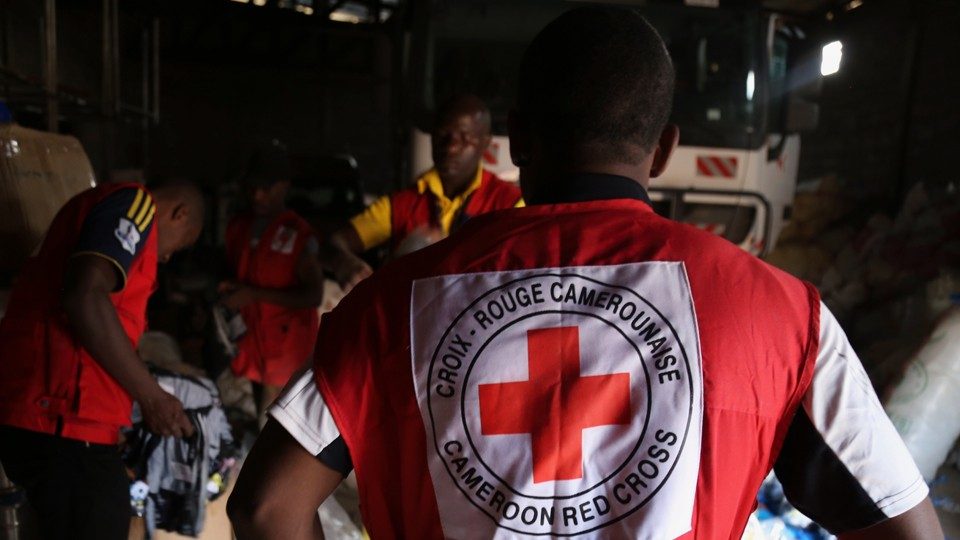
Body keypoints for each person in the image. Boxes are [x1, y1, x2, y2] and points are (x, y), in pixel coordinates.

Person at [228, 7, 943, 540]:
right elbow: (906, 530)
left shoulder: (387, 307)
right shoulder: (783, 315)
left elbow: (265, 508)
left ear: (517, 139)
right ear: (663, 149)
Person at [0, 179, 204, 540]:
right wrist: (152, 397)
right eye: (181, 244)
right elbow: (85, 296)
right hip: (64, 419)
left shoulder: (99, 214)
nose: (167, 257)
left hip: (53, 417)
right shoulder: (135, 205)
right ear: (179, 213)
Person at [323, 94, 523, 293]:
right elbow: (336, 242)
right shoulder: (401, 204)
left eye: (465, 138)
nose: (451, 147)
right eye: (444, 134)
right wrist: (343, 261)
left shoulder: (511, 204)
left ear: (485, 144)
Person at [221, 143, 325, 426]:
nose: (257, 195)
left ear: (284, 186)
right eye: (252, 187)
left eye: (266, 188)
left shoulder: (299, 235)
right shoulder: (238, 228)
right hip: (248, 351)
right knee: (244, 430)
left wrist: (253, 294)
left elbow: (314, 295)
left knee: (279, 433)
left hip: (285, 358)